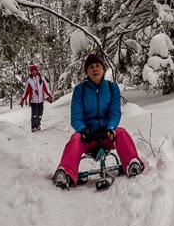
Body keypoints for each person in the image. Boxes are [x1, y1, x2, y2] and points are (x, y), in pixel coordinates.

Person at [53, 53, 144, 189]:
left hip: (107, 135)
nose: (95, 69)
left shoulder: (112, 88)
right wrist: (83, 130)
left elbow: (115, 112)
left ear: (103, 69)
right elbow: (76, 117)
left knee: (121, 132)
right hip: (88, 137)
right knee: (75, 139)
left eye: (97, 66)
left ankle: (132, 163)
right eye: (91, 67)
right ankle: (65, 172)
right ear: (87, 71)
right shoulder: (80, 90)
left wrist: (111, 127)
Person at [19, 64, 53, 132]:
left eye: (35, 70)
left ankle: (38, 124)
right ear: (31, 72)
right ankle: (33, 126)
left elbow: (46, 88)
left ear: (37, 71)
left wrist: (50, 96)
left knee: (40, 113)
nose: (34, 72)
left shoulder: (41, 79)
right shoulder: (29, 81)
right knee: (34, 114)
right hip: (33, 100)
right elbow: (26, 91)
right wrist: (23, 99)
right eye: (33, 71)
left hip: (40, 100)